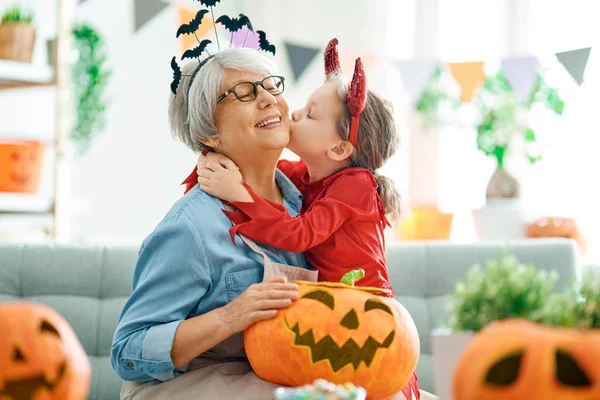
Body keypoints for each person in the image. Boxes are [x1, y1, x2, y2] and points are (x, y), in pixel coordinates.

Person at [190, 38, 423, 400]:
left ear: (339, 149)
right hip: (322, 307)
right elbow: (256, 165)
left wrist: (240, 196)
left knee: (379, 383)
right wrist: (212, 160)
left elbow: (300, 235)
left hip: (363, 305)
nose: (294, 114)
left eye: (311, 115)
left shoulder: (356, 186)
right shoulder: (307, 174)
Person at [112, 44, 319, 400]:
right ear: (210, 134)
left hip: (282, 377)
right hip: (199, 384)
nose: (269, 99)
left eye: (271, 85)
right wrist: (231, 316)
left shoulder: (310, 203)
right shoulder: (191, 227)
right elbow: (128, 352)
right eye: (243, 93)